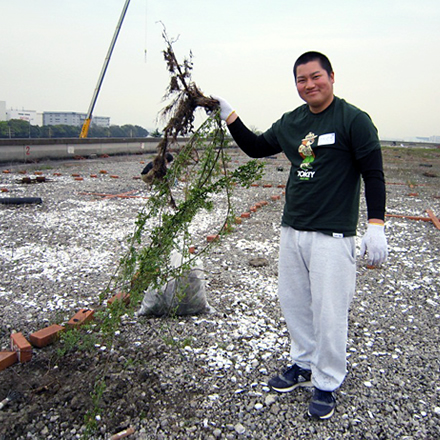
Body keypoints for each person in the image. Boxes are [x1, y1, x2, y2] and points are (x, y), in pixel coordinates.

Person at [213, 51, 388, 419]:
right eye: (301, 79)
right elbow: (257, 147)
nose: (309, 84)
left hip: (332, 233)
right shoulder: (292, 122)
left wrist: (376, 225)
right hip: (292, 228)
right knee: (293, 303)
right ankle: (303, 364)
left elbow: (373, 173)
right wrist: (230, 115)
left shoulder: (353, 120)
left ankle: (327, 381)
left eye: (315, 76)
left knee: (330, 312)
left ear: (331, 76)